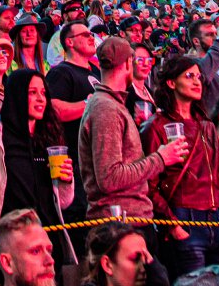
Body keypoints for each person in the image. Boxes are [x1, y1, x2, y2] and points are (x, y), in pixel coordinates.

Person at [0, 68, 77, 286]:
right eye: (32, 93)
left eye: (43, 93)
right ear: (17, 94)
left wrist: (66, 180)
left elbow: (63, 201)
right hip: (11, 244)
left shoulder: (48, 136)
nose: (41, 99)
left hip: (48, 242)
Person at [142, 53, 219, 280]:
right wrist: (172, 225)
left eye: (199, 77)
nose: (196, 81)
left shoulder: (206, 125)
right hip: (184, 218)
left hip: (214, 220)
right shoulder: (156, 127)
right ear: (171, 83)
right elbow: (149, 183)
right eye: (189, 76)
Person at [80, 36, 188, 221]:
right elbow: (110, 178)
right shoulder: (106, 108)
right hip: (120, 223)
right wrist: (161, 158)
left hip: (130, 217)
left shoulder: (112, 104)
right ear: (129, 63)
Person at [58, 221, 167, 286]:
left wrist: (157, 278)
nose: (144, 268)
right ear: (108, 265)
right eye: (135, 259)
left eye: (146, 260)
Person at [44, 19, 100, 218]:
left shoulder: (96, 73)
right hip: (74, 163)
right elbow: (53, 110)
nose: (91, 37)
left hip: (96, 161)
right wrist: (89, 104)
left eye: (91, 34)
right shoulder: (61, 72)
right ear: (69, 42)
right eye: (85, 35)